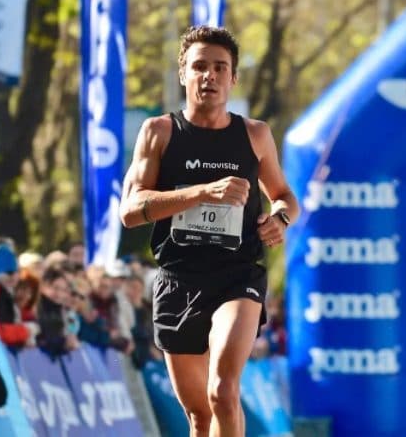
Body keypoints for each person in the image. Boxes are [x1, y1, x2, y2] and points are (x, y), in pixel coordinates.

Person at [119, 25, 299, 437]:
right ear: (183, 74)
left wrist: (280, 219)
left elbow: (285, 195)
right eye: (199, 66)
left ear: (233, 78)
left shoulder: (255, 134)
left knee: (222, 390)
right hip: (178, 279)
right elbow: (130, 212)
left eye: (220, 68)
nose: (210, 76)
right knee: (200, 415)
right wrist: (203, 192)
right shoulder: (159, 132)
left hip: (237, 276)